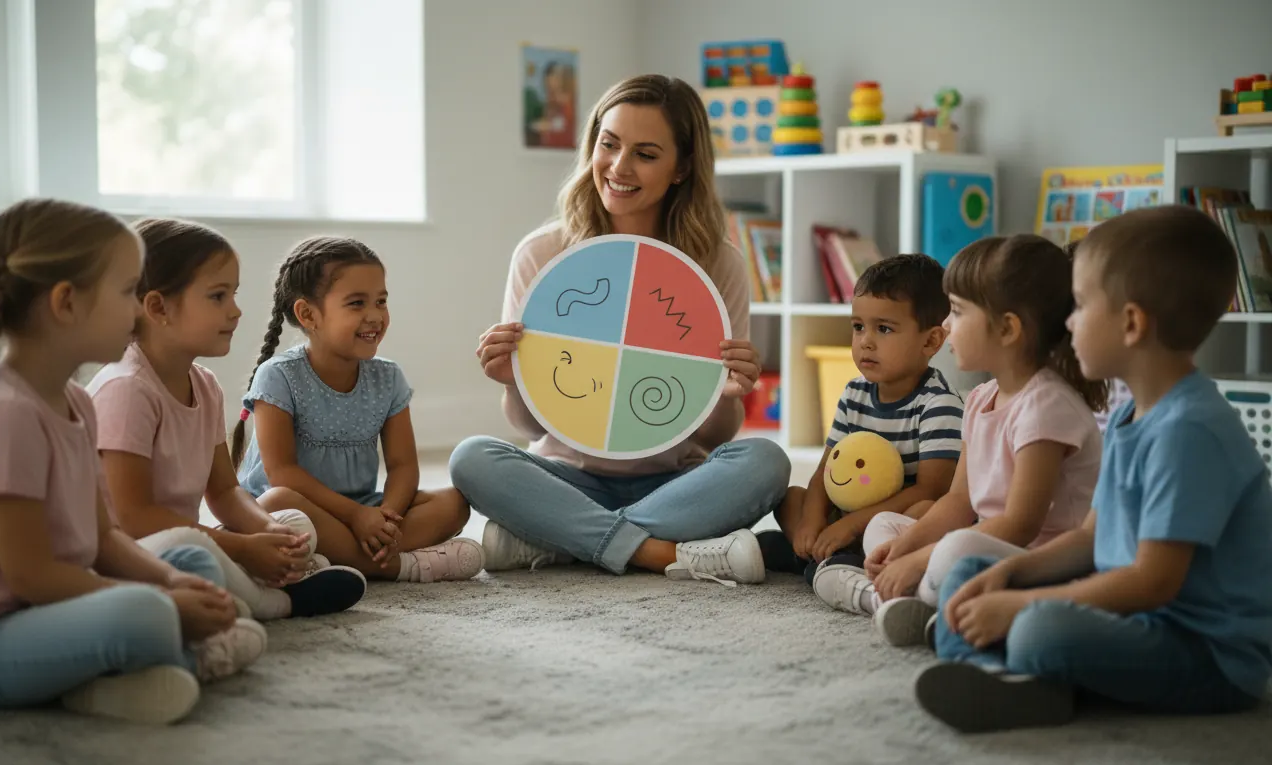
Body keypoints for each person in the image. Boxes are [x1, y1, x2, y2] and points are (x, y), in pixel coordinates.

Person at [917, 206, 1272, 733]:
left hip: (1205, 651)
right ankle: (1010, 679)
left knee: (1039, 628)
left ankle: (1012, 667)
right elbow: (1093, 536)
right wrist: (1010, 574)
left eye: (1081, 307)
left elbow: (1152, 582)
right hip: (1133, 610)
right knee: (972, 574)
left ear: (1131, 323)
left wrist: (1022, 604)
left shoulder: (1188, 430)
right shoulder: (1134, 411)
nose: (1068, 323)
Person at [0, 199, 265, 725]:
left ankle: (129, 672)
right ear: (66, 303)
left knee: (191, 564)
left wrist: (172, 583)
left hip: (48, 610)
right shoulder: (5, 415)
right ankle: (160, 662)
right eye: (129, 291)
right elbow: (33, 577)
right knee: (148, 612)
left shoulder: (78, 402)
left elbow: (105, 538)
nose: (139, 310)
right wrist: (161, 600)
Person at [450, 74, 791, 585]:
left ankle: (563, 540)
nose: (618, 167)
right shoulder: (543, 255)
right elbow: (531, 428)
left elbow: (718, 434)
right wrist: (511, 379)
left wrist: (726, 393)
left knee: (767, 461)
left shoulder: (719, 264)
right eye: (608, 144)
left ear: (682, 168)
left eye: (646, 154)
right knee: (472, 458)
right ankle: (655, 551)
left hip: (676, 481)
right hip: (567, 478)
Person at [814, 235, 1105, 647]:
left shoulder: (1046, 405)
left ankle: (895, 600)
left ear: (1007, 329)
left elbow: (1022, 525)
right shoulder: (981, 398)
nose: (946, 326)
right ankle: (910, 601)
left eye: (957, 311)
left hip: (1040, 562)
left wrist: (922, 559)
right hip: (989, 544)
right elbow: (958, 500)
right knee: (885, 526)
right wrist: (905, 547)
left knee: (958, 547)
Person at [90, 218, 367, 620]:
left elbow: (223, 491)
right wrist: (240, 549)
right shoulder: (127, 389)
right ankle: (278, 603)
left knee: (292, 523)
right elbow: (133, 520)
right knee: (199, 550)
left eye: (233, 295)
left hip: (182, 544)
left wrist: (266, 531)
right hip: (123, 557)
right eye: (218, 296)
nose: (236, 311)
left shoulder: (204, 384)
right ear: (157, 307)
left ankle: (246, 582)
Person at [232, 236, 483, 582]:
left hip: (364, 506)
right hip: (298, 508)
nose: (375, 316)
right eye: (356, 303)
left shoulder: (388, 376)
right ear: (308, 314)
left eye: (381, 301)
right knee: (279, 502)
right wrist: (355, 517)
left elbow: (403, 465)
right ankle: (399, 566)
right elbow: (282, 474)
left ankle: (333, 556)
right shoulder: (278, 376)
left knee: (453, 503)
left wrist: (386, 519)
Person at [757, 254, 962, 582]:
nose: (865, 341)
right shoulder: (855, 393)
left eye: (884, 328)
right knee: (792, 498)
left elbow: (930, 491)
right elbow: (826, 469)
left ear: (931, 340)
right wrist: (811, 522)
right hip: (848, 513)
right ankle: (818, 552)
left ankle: (829, 558)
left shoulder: (939, 404)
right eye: (858, 327)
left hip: (892, 522)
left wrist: (852, 525)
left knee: (924, 514)